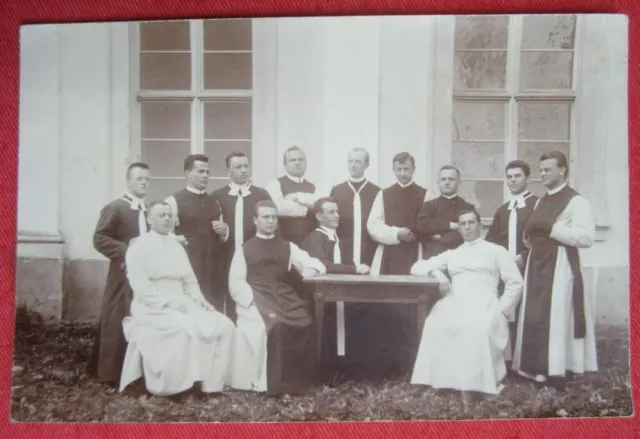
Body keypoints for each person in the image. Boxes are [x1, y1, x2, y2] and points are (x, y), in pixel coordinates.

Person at [119, 201, 235, 397]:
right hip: (152, 306)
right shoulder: (138, 248)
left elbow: (189, 280)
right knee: (184, 329)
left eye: (169, 215)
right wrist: (170, 304)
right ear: (149, 219)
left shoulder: (176, 246)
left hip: (182, 300)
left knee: (224, 324)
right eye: (161, 215)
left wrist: (200, 300)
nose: (166, 219)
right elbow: (141, 288)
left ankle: (212, 384)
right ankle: (180, 387)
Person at [409, 209, 523, 403]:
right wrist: (438, 273)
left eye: (471, 223)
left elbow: (515, 282)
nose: (468, 227)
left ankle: (475, 385)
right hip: (456, 299)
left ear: (480, 225)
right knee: (435, 323)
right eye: (463, 224)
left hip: (485, 300)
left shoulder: (496, 251)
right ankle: (443, 380)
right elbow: (416, 267)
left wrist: (502, 310)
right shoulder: (454, 253)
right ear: (459, 228)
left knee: (475, 328)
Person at [512, 151, 597, 390]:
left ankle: (555, 368)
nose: (543, 174)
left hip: (560, 264)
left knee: (555, 315)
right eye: (541, 170)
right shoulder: (541, 200)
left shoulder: (576, 201)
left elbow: (586, 237)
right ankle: (533, 367)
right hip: (538, 262)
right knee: (535, 313)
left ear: (563, 170)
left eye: (548, 169)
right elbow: (534, 232)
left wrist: (554, 229)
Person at [227, 200, 326, 396]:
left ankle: (298, 383)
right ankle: (274, 384)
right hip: (256, 297)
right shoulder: (244, 249)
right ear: (256, 220)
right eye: (265, 217)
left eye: (273, 217)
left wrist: (307, 269)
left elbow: (314, 265)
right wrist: (251, 301)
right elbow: (236, 282)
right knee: (276, 325)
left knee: (305, 322)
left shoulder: (288, 246)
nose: (270, 221)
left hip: (282, 295)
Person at [366, 152, 429, 374]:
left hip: (415, 254)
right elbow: (373, 226)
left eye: (407, 169)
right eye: (399, 169)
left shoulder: (425, 193)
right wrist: (397, 233)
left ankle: (412, 363)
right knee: (388, 305)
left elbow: (429, 223)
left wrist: (415, 234)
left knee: (413, 307)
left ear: (414, 169)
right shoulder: (384, 194)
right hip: (389, 256)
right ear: (394, 170)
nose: (403, 173)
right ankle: (387, 363)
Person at [90, 162, 150, 386]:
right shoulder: (115, 207)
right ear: (128, 182)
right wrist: (126, 250)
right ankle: (111, 372)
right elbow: (100, 238)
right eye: (139, 178)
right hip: (122, 273)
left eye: (147, 179)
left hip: (145, 275)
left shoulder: (148, 209)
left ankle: (139, 369)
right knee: (117, 317)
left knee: (142, 315)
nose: (144, 182)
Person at [299, 197, 370, 370]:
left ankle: (342, 365)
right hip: (321, 295)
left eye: (337, 211)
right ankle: (323, 368)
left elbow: (345, 264)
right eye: (331, 212)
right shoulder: (315, 238)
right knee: (325, 327)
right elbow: (323, 265)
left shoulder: (338, 240)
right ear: (319, 216)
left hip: (340, 293)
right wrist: (354, 269)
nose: (337, 215)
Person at [210, 152, 272, 322]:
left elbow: (272, 227)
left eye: (246, 166)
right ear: (228, 171)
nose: (244, 170)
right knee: (228, 304)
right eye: (238, 167)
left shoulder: (261, 195)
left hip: (255, 259)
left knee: (255, 303)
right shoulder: (217, 196)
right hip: (226, 258)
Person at [485, 160, 538, 356]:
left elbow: (541, 238)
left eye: (517, 176)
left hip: (529, 266)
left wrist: (524, 257)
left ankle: (525, 358)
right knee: (507, 310)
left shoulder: (537, 205)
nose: (513, 180)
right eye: (509, 176)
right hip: (505, 270)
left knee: (527, 310)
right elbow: (491, 240)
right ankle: (506, 357)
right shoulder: (503, 210)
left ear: (527, 178)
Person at [165, 155, 229, 312]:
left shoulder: (215, 203)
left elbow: (221, 238)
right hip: (187, 266)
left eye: (207, 172)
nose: (205, 176)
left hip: (212, 268)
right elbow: (164, 235)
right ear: (187, 173)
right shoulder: (173, 201)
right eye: (200, 171)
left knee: (214, 308)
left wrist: (224, 230)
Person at [329, 148, 381, 267]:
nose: (353, 165)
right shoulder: (337, 190)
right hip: (343, 248)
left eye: (358, 161)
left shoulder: (376, 192)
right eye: (350, 161)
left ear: (367, 165)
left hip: (368, 249)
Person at [415, 165, 475, 260]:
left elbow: (469, 232)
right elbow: (420, 227)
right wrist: (450, 225)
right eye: (443, 179)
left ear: (459, 182)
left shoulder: (467, 207)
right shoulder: (428, 206)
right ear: (438, 182)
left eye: (451, 179)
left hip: (460, 259)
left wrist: (439, 237)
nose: (447, 182)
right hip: (432, 258)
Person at [266, 146, 320, 245]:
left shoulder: (314, 186)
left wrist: (297, 197)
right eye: (292, 160)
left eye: (301, 160)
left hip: (311, 243)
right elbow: (277, 207)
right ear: (285, 165)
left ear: (306, 163)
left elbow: (321, 205)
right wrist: (309, 207)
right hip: (285, 242)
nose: (298, 163)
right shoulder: (275, 183)